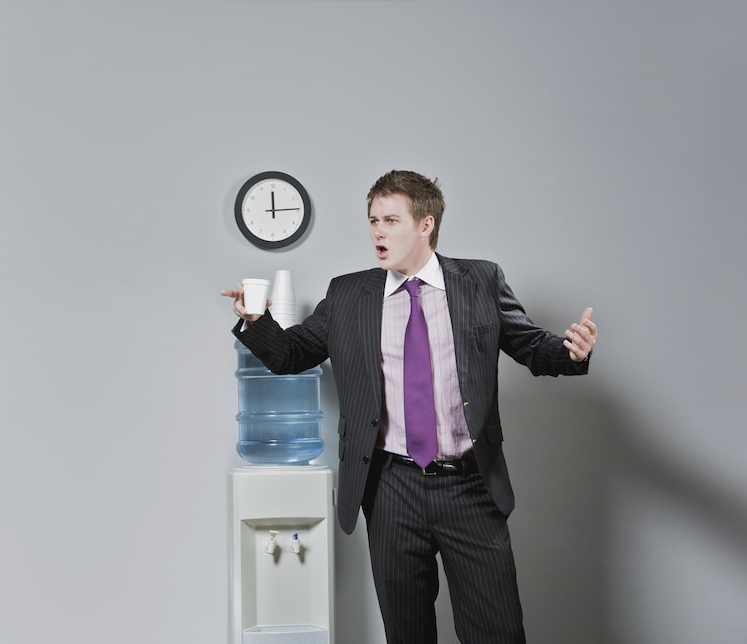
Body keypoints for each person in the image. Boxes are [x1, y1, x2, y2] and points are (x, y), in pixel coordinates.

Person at [221, 170, 597, 644]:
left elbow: (531, 347)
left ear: (426, 225)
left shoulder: (480, 280)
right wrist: (256, 322)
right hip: (391, 487)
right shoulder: (348, 294)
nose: (378, 231)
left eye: (391, 220)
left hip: (470, 487)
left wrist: (570, 351)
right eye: (373, 220)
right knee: (408, 634)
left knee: (498, 633)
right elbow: (290, 355)